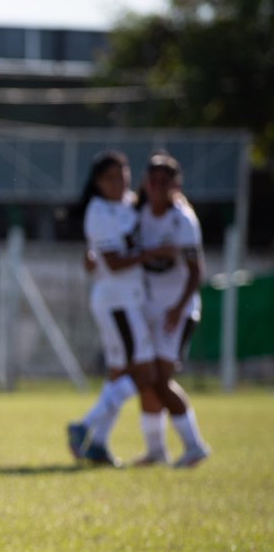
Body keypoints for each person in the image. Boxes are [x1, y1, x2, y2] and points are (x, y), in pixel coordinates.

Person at [66, 150, 175, 466]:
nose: (119, 182)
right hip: (118, 301)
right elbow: (113, 263)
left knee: (119, 373)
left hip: (127, 299)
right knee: (147, 373)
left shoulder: (130, 203)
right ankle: (84, 425)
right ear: (98, 183)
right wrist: (153, 253)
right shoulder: (98, 211)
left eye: (123, 174)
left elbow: (98, 258)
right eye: (111, 177)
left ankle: (98, 443)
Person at [132, 151, 211, 467]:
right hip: (148, 307)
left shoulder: (183, 220)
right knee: (145, 378)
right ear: (145, 183)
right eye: (154, 180)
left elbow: (195, 271)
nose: (158, 186)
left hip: (176, 310)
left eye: (166, 181)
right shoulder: (137, 213)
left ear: (176, 185)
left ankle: (194, 445)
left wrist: (179, 308)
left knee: (160, 380)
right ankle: (156, 450)